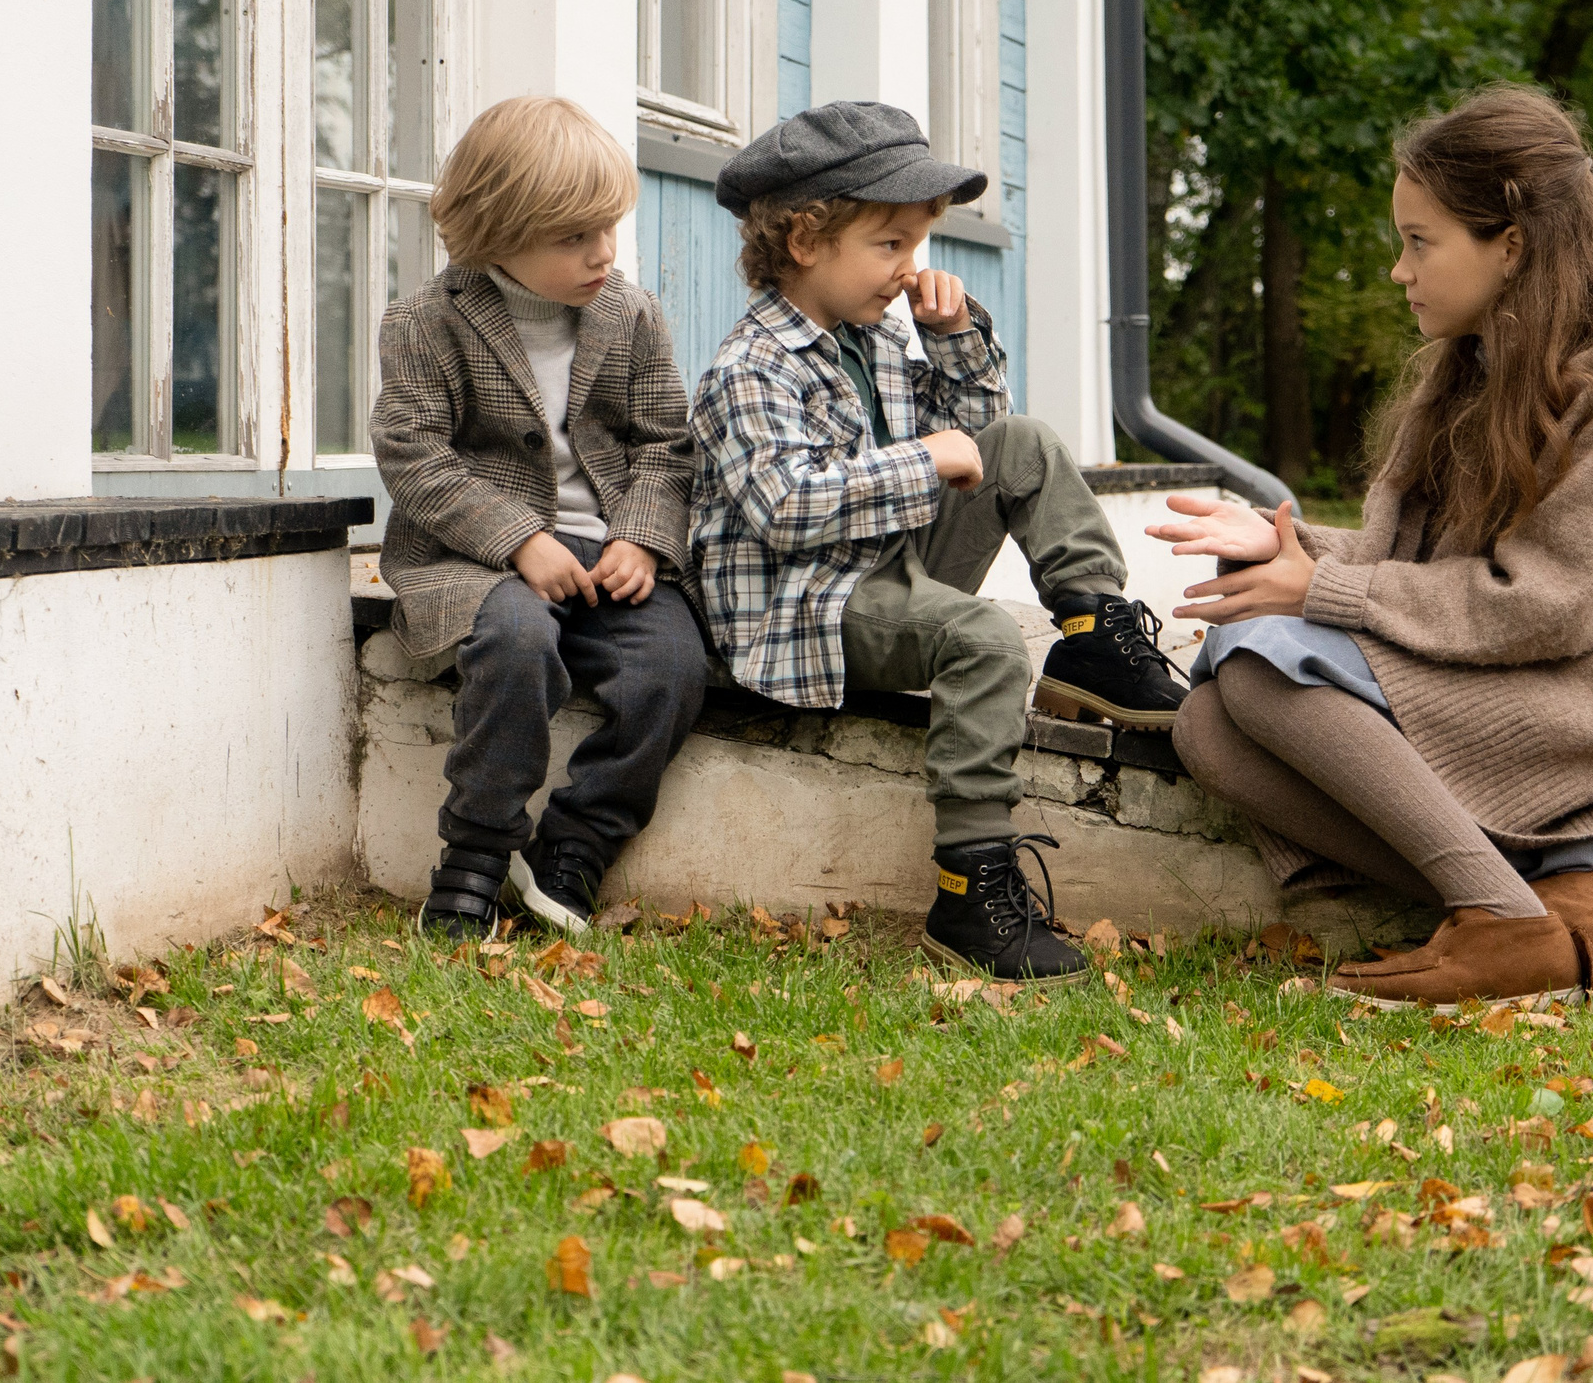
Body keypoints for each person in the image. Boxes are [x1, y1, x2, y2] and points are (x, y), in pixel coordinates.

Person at [1155, 83, 1593, 1007]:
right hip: (1528, 661)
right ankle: (1542, 902)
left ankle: (1504, 922)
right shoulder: (1473, 369)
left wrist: (1321, 590)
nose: (1400, 270)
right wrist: (1288, 544)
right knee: (1206, 726)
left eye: (1419, 242)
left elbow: (1545, 603)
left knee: (1262, 666)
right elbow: (1425, 565)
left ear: (1510, 246)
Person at [690, 100, 1190, 984]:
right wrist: (923, 459)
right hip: (806, 609)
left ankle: (1091, 636)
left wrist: (955, 342)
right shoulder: (749, 367)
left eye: (917, 243)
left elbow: (978, 440)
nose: (910, 268)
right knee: (986, 639)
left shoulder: (879, 336)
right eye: (890, 243)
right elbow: (786, 508)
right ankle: (970, 891)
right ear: (805, 240)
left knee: (1024, 441)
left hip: (887, 564)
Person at [372, 95, 711, 941]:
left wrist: (641, 537)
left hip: (606, 553)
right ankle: (477, 852)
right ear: (495, 232)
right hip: (476, 558)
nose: (604, 253)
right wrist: (518, 538)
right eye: (574, 237)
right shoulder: (425, 323)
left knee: (671, 666)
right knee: (517, 642)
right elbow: (414, 456)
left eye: (609, 227)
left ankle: (576, 843)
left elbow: (665, 443)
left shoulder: (628, 314)